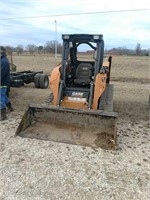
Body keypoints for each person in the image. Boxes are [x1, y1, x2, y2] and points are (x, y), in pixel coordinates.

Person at [0, 46, 11, 120]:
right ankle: (10, 107)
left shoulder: (4, 62)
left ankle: (3, 116)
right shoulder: (2, 60)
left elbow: (1, 73)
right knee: (4, 96)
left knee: (1, 98)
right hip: (2, 82)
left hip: (2, 83)